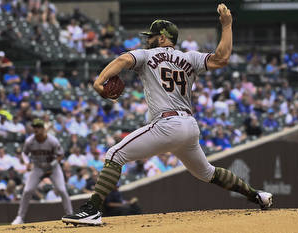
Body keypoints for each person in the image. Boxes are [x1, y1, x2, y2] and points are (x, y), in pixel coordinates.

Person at [62, 3, 272, 226]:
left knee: (115, 154)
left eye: (152, 35)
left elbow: (123, 60)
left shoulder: (147, 54)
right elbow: (221, 59)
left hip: (167, 123)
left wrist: (98, 82)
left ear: (162, 37)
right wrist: (227, 25)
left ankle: (92, 210)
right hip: (189, 126)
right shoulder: (190, 58)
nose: (148, 39)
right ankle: (257, 195)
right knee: (207, 173)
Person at [12, 119, 72, 225]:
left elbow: (61, 155)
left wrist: (51, 166)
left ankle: (70, 214)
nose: (36, 129)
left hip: (53, 167)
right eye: (34, 127)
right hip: (38, 167)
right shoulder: (29, 141)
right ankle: (20, 217)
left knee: (62, 190)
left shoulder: (52, 141)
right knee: (27, 191)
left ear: (44, 129)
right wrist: (26, 163)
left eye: (38, 127)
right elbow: (24, 154)